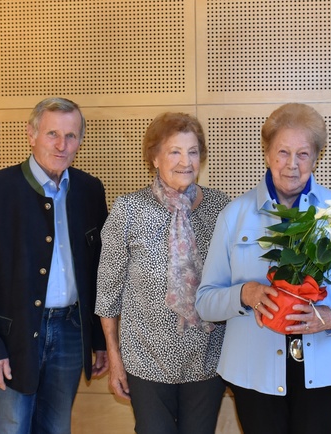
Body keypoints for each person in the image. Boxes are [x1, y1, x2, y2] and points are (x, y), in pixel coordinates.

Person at [195, 103, 331, 434]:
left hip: (324, 366)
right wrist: (245, 294)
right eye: (283, 152)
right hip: (253, 370)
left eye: (303, 154)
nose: (292, 164)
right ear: (267, 154)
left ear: (317, 158)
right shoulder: (235, 214)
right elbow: (206, 301)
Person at [0, 97, 109, 434]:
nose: (61, 145)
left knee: (57, 428)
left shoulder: (90, 190)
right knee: (11, 428)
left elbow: (99, 272)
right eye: (52, 134)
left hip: (71, 332)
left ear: (80, 141)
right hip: (12, 339)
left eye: (71, 136)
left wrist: (99, 340)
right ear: (31, 135)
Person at [96, 112, 230, 433]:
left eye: (193, 151)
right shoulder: (128, 210)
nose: (186, 161)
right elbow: (108, 293)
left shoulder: (220, 207)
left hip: (207, 359)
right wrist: (114, 358)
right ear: (154, 158)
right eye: (174, 151)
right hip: (146, 359)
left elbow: (232, 286)